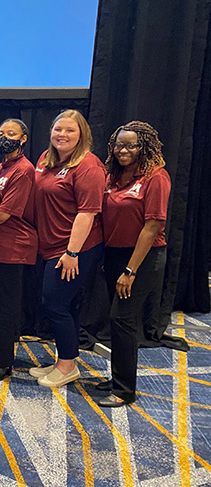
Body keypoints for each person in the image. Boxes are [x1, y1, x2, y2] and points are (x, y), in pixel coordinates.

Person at [97, 121, 170, 407]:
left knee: (122, 318)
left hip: (143, 258)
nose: (123, 150)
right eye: (119, 145)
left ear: (144, 147)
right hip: (115, 255)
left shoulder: (155, 177)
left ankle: (124, 390)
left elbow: (151, 227)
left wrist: (130, 270)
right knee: (117, 322)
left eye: (131, 145)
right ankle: (118, 378)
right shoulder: (113, 177)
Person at [31, 109, 105, 388]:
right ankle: (65, 359)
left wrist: (72, 253)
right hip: (51, 246)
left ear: (82, 134)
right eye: (58, 129)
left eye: (70, 130)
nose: (62, 134)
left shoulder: (88, 166)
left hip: (75, 250)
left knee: (55, 304)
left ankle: (67, 367)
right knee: (64, 305)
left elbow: (87, 213)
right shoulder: (45, 160)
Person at [0, 118, 37, 382]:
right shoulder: (2, 167)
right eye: (0, 133)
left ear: (23, 138)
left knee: (4, 308)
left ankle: (3, 362)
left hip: (11, 248)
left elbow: (5, 214)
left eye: (10, 133)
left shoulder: (24, 170)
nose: (4, 137)